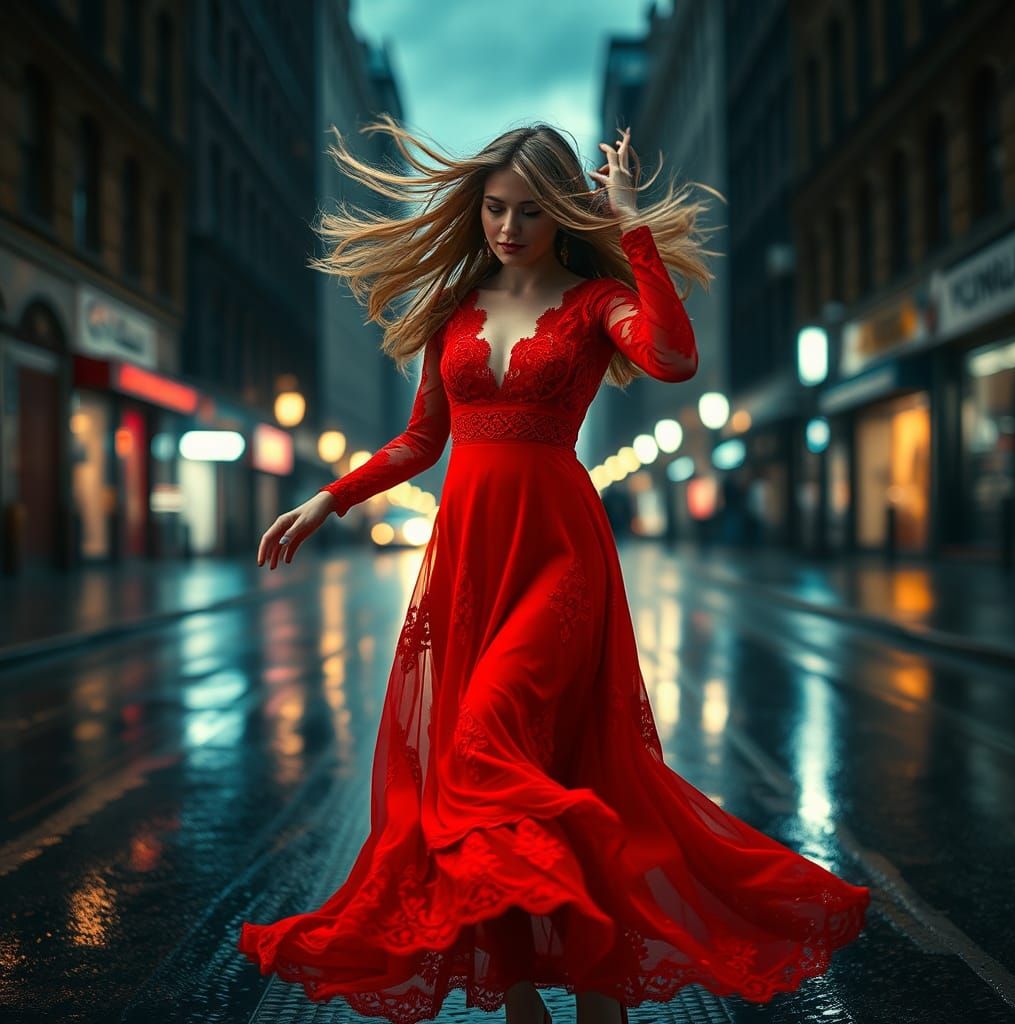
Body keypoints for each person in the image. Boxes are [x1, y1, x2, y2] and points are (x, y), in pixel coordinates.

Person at [238, 116, 870, 1024]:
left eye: (529, 211)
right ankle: (542, 1003)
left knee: (488, 741)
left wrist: (634, 228)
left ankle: (594, 959)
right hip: (470, 563)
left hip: (561, 558)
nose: (506, 228)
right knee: (530, 772)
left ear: (564, 212)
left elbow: (675, 357)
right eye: (494, 209)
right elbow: (424, 440)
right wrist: (328, 499)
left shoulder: (593, 303)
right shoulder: (455, 310)